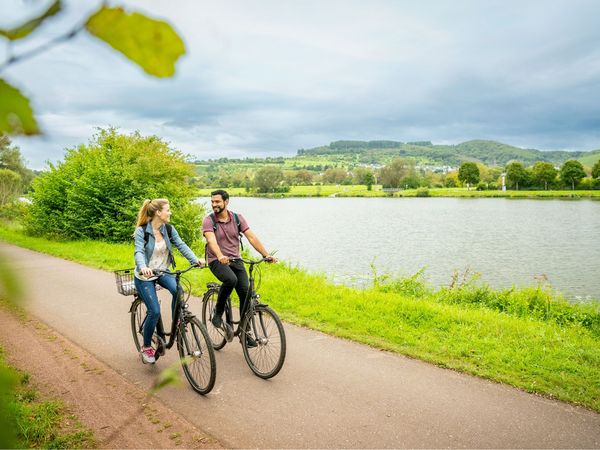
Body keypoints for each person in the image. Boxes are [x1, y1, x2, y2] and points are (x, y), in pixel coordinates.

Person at [134, 198, 204, 364]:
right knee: (155, 311)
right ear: (158, 212)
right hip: (145, 276)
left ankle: (177, 321)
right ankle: (146, 347)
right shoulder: (142, 231)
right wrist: (143, 266)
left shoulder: (169, 229)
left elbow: (181, 245)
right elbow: (138, 252)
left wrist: (195, 260)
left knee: (178, 290)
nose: (170, 212)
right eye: (168, 209)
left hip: (163, 271)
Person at [202, 190, 277, 335]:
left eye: (217, 202)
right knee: (231, 280)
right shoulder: (209, 220)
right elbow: (211, 241)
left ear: (226, 201)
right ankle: (218, 312)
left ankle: (244, 331)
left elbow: (252, 237)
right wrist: (219, 255)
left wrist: (266, 254)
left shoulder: (237, 218)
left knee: (246, 293)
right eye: (212, 202)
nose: (214, 205)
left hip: (236, 260)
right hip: (217, 260)